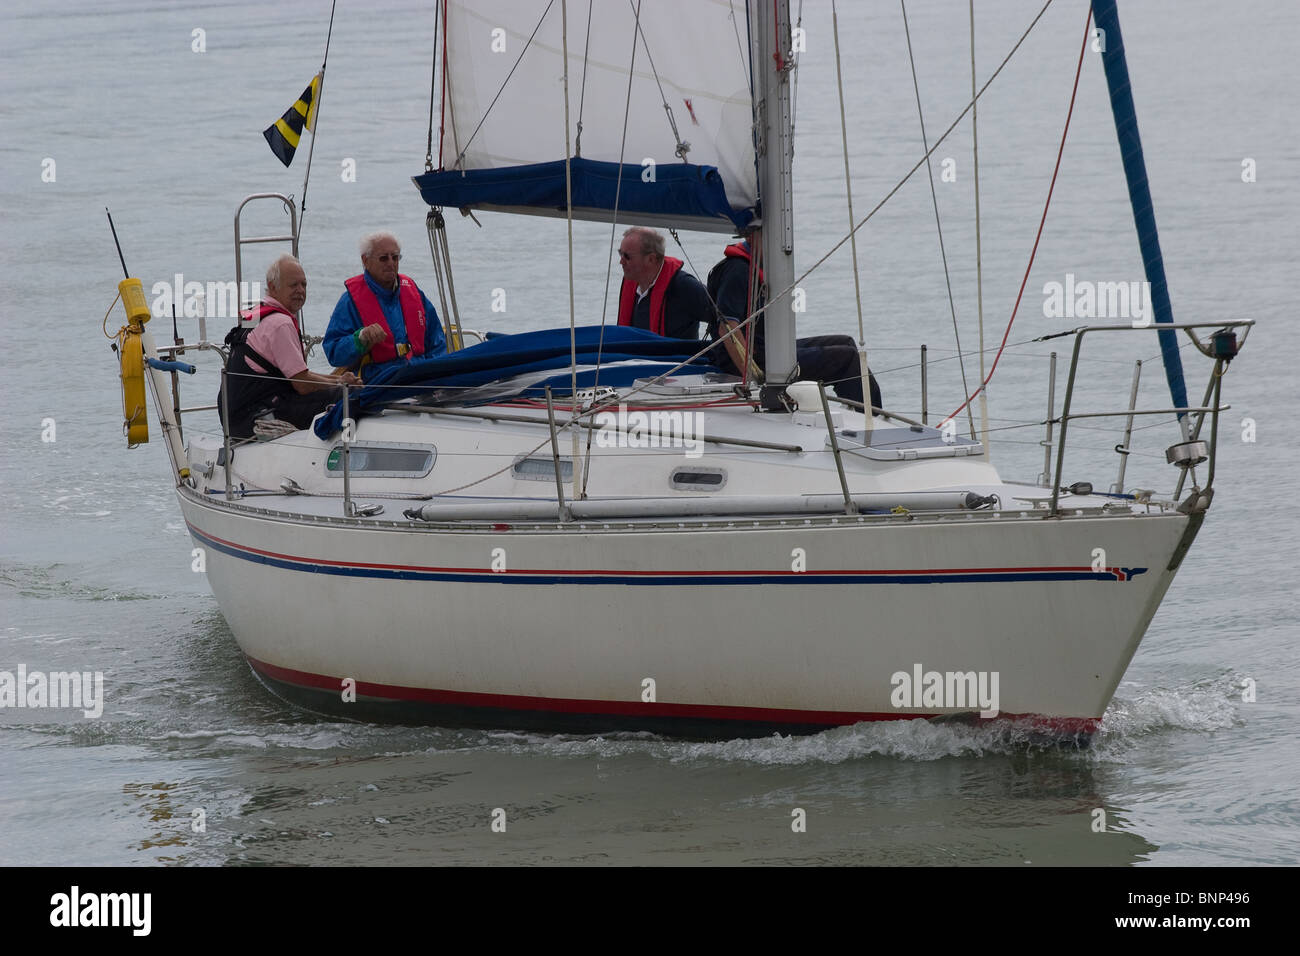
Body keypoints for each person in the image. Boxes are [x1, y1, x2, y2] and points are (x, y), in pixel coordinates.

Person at [706, 240, 883, 409]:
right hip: (752, 359)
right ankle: (871, 421)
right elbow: (727, 327)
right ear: (750, 236)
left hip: (766, 349)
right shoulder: (738, 271)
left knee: (846, 342)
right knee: (849, 359)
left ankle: (862, 414)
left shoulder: (754, 265)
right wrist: (753, 375)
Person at [219, 255, 360, 439]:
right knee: (353, 395)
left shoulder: (254, 315)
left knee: (340, 387)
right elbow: (302, 384)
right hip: (259, 416)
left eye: (304, 285)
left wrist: (338, 380)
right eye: (293, 285)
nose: (300, 291)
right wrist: (341, 384)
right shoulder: (281, 323)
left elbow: (299, 375)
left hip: (235, 418)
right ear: (272, 286)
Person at [323, 232, 447, 379]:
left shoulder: (414, 292)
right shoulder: (350, 302)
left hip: (419, 377)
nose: (391, 263)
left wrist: (435, 374)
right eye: (383, 258)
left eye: (395, 257)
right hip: (379, 383)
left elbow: (437, 341)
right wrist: (360, 338)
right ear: (365, 260)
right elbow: (334, 353)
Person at [616, 227, 713, 341]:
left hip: (677, 358)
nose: (621, 262)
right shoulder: (632, 286)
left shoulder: (684, 286)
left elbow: (724, 316)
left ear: (651, 259)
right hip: (634, 357)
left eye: (627, 257)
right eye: (620, 254)